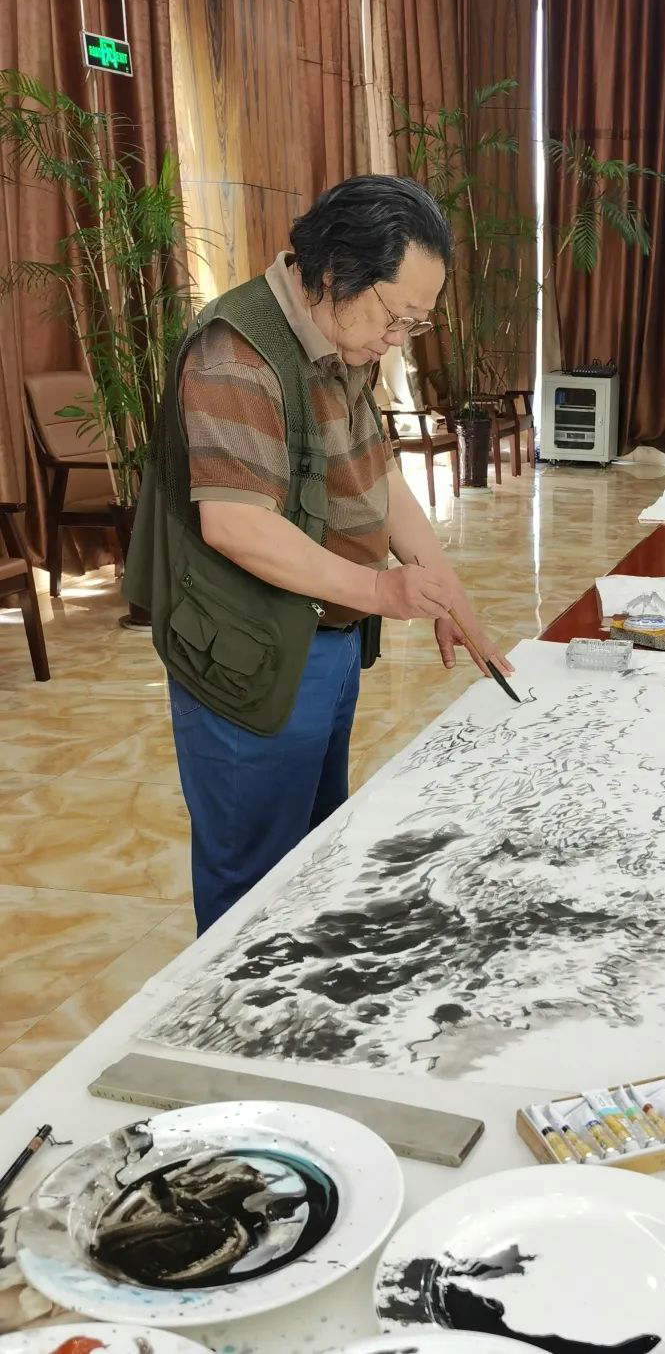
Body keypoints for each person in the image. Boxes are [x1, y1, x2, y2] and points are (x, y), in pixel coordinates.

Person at [124, 175, 513, 934]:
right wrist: (384, 592)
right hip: (245, 653)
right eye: (395, 317)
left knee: (313, 855)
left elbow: (376, 474)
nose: (397, 339)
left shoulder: (341, 332)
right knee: (252, 879)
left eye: (416, 323)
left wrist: (446, 591)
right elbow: (237, 526)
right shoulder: (235, 352)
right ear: (334, 273)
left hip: (323, 639)